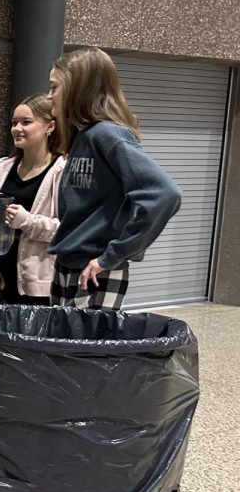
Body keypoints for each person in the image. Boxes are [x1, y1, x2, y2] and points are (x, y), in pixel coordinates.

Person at [47, 47, 181, 309]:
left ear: (77, 88)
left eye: (54, 87)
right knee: (62, 347)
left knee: (82, 349)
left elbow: (164, 194)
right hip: (70, 263)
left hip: (94, 269)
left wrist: (111, 256)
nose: (49, 96)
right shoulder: (83, 137)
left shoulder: (106, 134)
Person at [0, 94, 66, 303]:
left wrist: (28, 221)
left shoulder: (61, 172)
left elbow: (67, 231)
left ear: (50, 127)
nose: (17, 128)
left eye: (26, 122)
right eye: (14, 122)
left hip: (35, 285)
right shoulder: (2, 168)